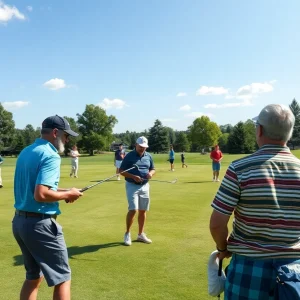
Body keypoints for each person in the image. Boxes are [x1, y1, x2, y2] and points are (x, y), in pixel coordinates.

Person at [209, 104, 300, 299]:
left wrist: (223, 249)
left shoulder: (239, 168)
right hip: (295, 273)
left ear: (259, 130)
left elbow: (217, 224)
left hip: (248, 269)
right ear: (289, 133)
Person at [12, 115, 83, 300]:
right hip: (39, 225)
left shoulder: (27, 151)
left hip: (20, 223)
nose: (67, 140)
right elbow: (41, 194)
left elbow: (37, 188)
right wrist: (68, 195)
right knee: (63, 278)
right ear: (55, 133)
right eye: (66, 136)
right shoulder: (50, 154)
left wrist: (66, 190)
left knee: (33, 277)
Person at [120, 136, 155, 246]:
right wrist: (133, 176)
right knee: (133, 210)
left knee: (143, 210)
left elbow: (153, 169)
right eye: (140, 147)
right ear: (136, 145)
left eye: (144, 147)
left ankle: (140, 234)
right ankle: (127, 233)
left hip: (145, 186)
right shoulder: (129, 156)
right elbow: (121, 171)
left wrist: (151, 174)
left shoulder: (148, 156)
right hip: (132, 185)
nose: (142, 149)